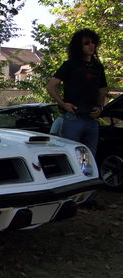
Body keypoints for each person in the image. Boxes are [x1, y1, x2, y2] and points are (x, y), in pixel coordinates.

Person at [46, 28, 107, 210]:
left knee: (90, 160)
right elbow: (51, 86)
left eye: (92, 42)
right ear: (79, 46)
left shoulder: (98, 67)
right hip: (73, 118)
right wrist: (64, 104)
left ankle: (87, 199)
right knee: (70, 157)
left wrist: (101, 107)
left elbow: (102, 89)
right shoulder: (70, 65)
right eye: (86, 43)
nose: (90, 46)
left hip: (92, 119)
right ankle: (67, 199)